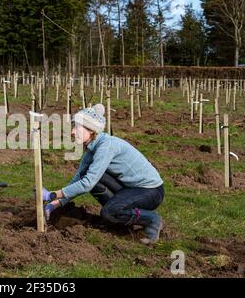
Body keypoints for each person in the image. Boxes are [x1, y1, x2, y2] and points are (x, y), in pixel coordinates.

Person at [41, 104, 165, 244]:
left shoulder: (106, 146)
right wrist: (54, 204)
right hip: (130, 188)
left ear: (91, 130)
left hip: (151, 191)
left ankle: (152, 219)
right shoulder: (91, 149)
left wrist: (52, 194)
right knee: (86, 175)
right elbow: (78, 181)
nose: (73, 132)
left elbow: (87, 184)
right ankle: (121, 219)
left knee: (108, 212)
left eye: (77, 127)